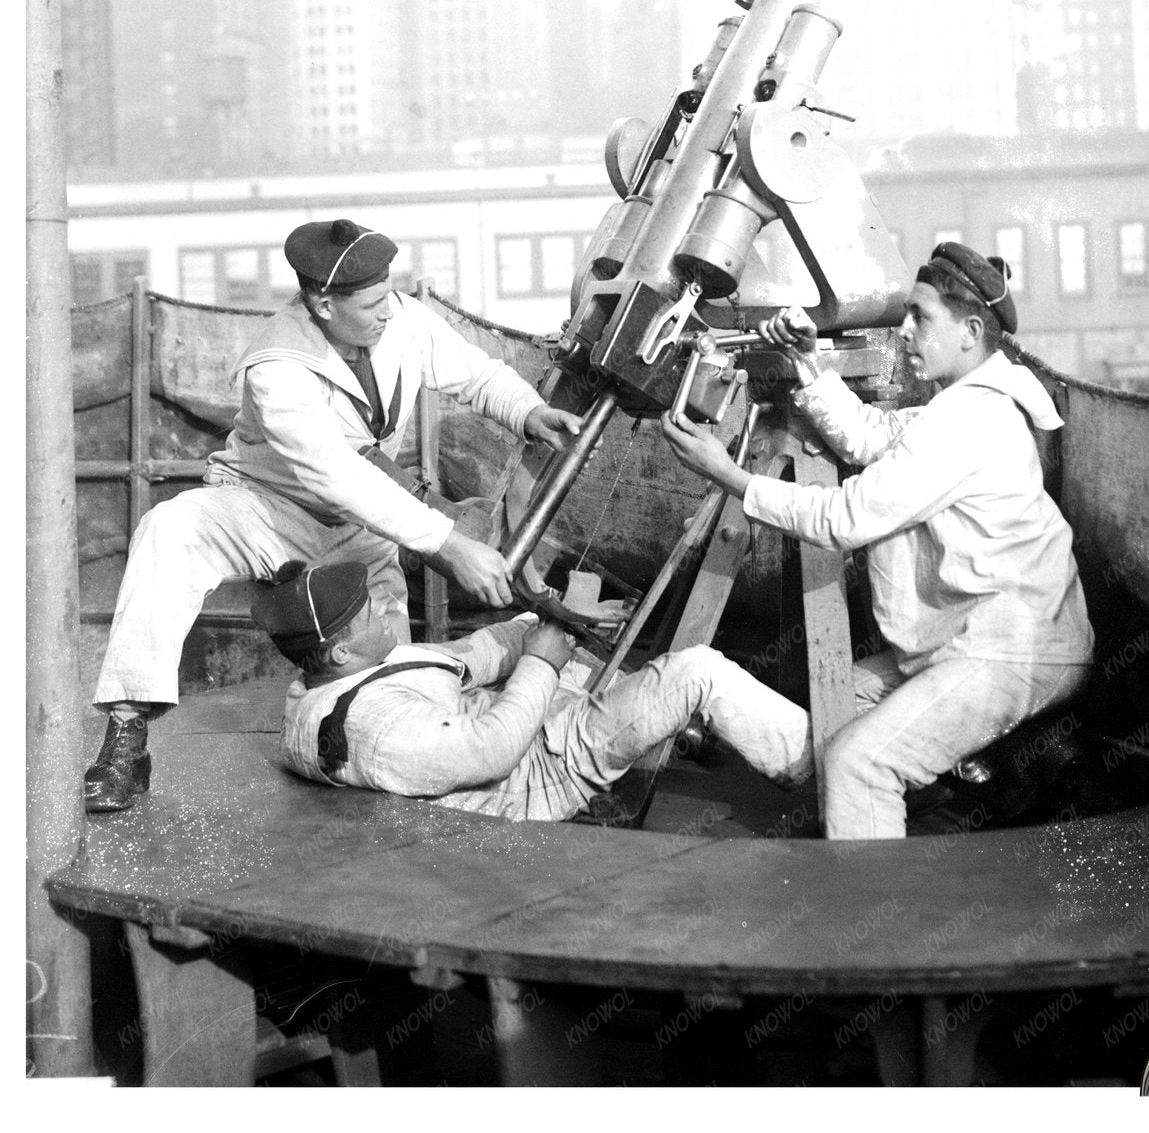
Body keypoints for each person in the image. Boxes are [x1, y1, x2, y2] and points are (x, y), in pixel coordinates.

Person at [85, 218, 582, 813]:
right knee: (170, 529)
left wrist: (529, 411)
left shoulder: (400, 319)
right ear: (322, 303)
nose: (386, 312)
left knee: (391, 667)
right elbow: (333, 474)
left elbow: (476, 375)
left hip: (361, 525)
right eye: (370, 302)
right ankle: (125, 736)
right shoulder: (278, 363)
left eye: (387, 295)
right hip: (266, 507)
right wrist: (446, 543)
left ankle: (453, 779)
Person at [660, 241, 1094, 840]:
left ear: (970, 331)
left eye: (922, 318)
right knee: (833, 714)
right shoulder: (957, 407)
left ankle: (876, 923)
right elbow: (870, 437)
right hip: (970, 637)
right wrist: (810, 364)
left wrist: (731, 477)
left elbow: (845, 519)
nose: (906, 330)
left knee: (860, 762)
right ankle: (906, 807)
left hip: (1015, 650)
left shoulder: (972, 420)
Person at [250, 559, 813, 820]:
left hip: (529, 733)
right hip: (539, 774)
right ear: (342, 650)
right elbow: (490, 750)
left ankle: (690, 724)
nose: (382, 606)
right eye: (367, 611)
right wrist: (541, 665)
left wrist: (553, 620)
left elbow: (472, 655)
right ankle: (823, 764)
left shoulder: (342, 674)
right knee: (697, 670)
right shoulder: (370, 726)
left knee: (565, 653)